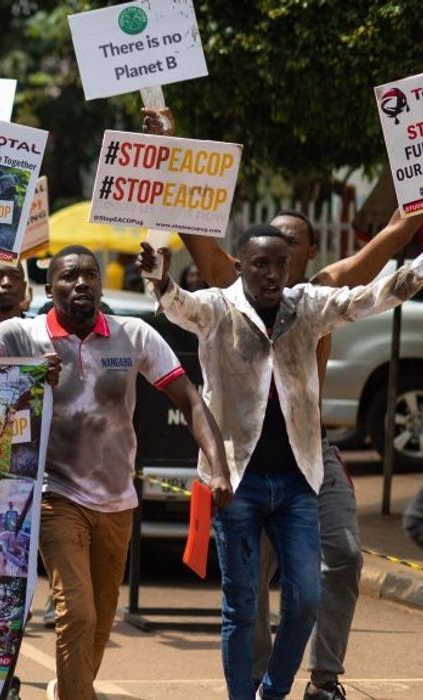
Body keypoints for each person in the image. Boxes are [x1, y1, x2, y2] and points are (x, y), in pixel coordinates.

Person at [149, 101, 423, 700]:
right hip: (240, 469)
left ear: (306, 254)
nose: (281, 263)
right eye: (268, 256)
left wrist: (413, 218)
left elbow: (380, 270)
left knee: (329, 571)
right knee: (247, 598)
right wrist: (169, 147)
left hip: (308, 461)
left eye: (293, 250)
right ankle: (250, 685)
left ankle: (321, 679)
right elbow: (188, 237)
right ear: (247, 259)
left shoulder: (320, 295)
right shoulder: (224, 292)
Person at [0, 246, 231, 700]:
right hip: (57, 495)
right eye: (69, 277)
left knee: (99, 619)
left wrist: (219, 466)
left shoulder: (133, 334)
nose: (81, 284)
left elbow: (190, 400)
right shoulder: (23, 334)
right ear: (49, 288)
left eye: (90, 276)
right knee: (77, 612)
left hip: (118, 500)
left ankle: (70, 688)